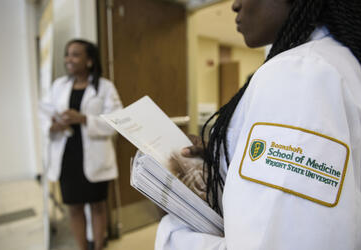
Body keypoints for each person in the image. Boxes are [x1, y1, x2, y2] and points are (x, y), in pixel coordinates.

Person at [155, 0, 361, 249]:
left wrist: (172, 230)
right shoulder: (337, 62)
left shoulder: (300, 73)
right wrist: (225, 156)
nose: (235, 4)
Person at [40, 39, 122, 250]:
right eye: (67, 54)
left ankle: (98, 247)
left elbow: (117, 121)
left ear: (89, 60)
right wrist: (52, 125)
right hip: (67, 155)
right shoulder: (58, 85)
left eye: (75, 54)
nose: (69, 59)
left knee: (97, 206)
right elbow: (43, 113)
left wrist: (83, 119)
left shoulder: (105, 87)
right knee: (74, 208)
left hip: (95, 155)